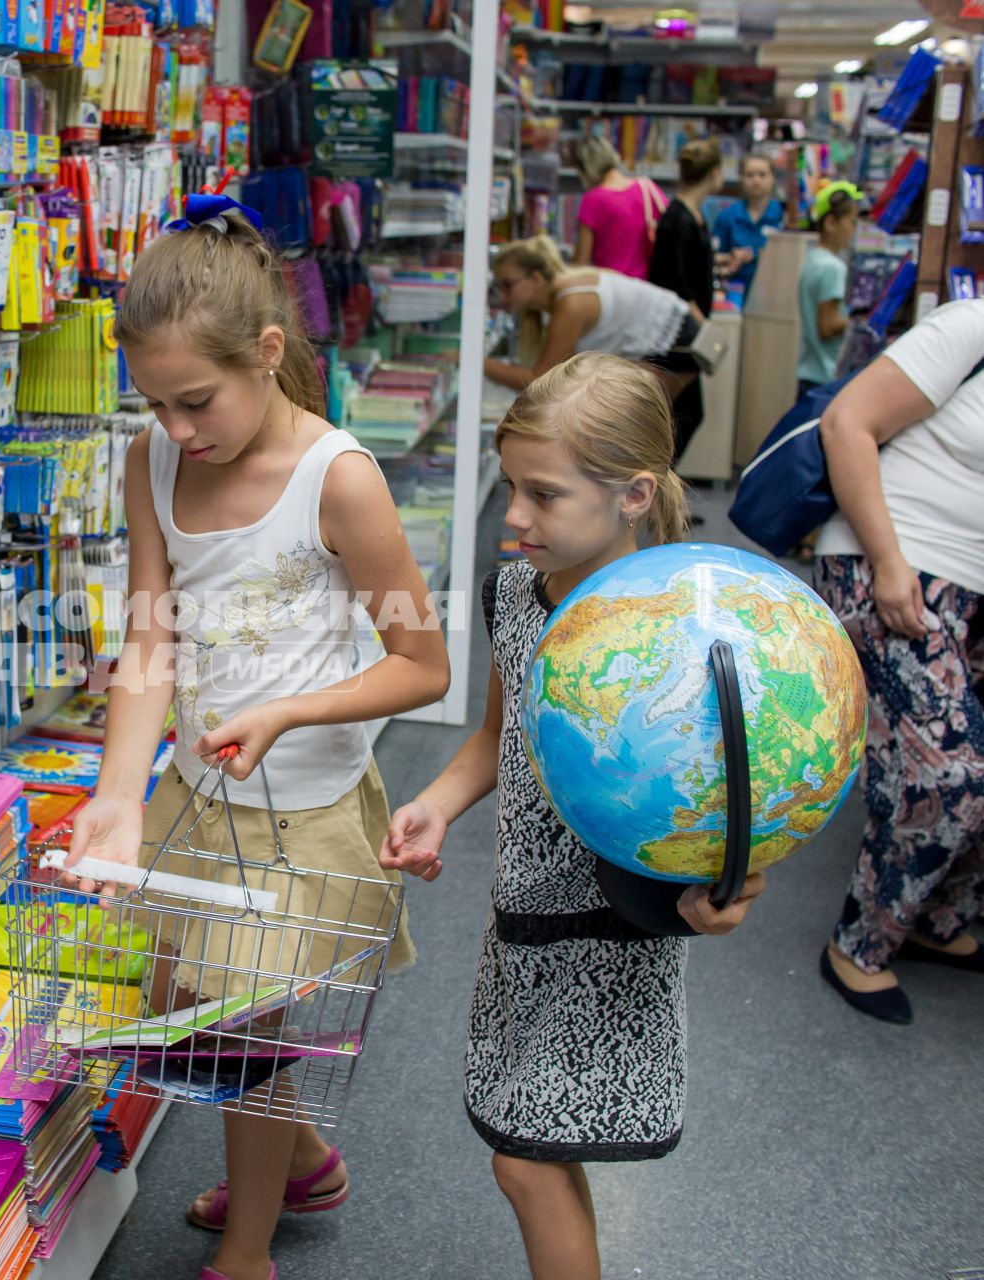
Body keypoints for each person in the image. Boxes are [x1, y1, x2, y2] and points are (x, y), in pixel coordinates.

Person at [60, 194, 452, 1280]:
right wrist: (122, 790)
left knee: (245, 1029)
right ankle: (304, 1157)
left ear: (268, 352)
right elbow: (151, 634)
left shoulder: (343, 481)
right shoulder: (153, 457)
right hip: (198, 792)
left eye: (197, 400)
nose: (180, 429)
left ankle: (248, 1246)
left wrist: (289, 709)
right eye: (157, 403)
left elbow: (425, 665)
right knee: (196, 1006)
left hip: (307, 817)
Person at [379, 353, 768, 1280]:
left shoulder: (682, 623)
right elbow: (494, 738)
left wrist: (736, 885)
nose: (513, 516)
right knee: (541, 1147)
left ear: (635, 494)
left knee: (524, 1158)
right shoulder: (517, 592)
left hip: (617, 927)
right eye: (512, 486)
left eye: (544, 495)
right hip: (522, 919)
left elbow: (746, 784)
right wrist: (436, 804)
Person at [813, 297, 984, 1025]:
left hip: (972, 594)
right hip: (893, 568)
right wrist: (888, 562)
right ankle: (858, 943)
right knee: (947, 775)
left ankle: (932, 917)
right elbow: (847, 423)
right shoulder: (972, 326)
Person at [483, 237, 702, 461]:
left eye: (507, 285)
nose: (501, 294)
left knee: (644, 438)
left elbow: (538, 380)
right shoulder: (568, 287)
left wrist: (476, 362)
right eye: (497, 286)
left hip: (673, 344)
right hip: (671, 337)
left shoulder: (571, 304)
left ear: (536, 278)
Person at [647, 137, 723, 460]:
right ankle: (658, 491)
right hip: (678, 333)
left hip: (687, 329)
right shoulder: (677, 218)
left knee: (685, 414)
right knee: (677, 414)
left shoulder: (693, 215)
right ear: (715, 173)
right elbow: (674, 281)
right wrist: (701, 324)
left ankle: (662, 492)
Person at [573, 136, 665, 280]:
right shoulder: (648, 189)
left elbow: (580, 263)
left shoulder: (593, 200)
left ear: (585, 168)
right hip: (648, 289)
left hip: (611, 289)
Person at [799, 181, 860, 398]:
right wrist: (861, 320)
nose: (854, 230)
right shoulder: (832, 268)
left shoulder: (812, 259)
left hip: (809, 372)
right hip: (824, 376)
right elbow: (827, 326)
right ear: (831, 222)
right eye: (851, 222)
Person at [712, 153, 784, 300]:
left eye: (762, 175)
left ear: (772, 179)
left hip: (775, 295)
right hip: (735, 296)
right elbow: (713, 256)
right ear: (741, 179)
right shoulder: (727, 216)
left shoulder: (784, 216)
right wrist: (731, 257)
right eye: (749, 175)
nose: (756, 180)